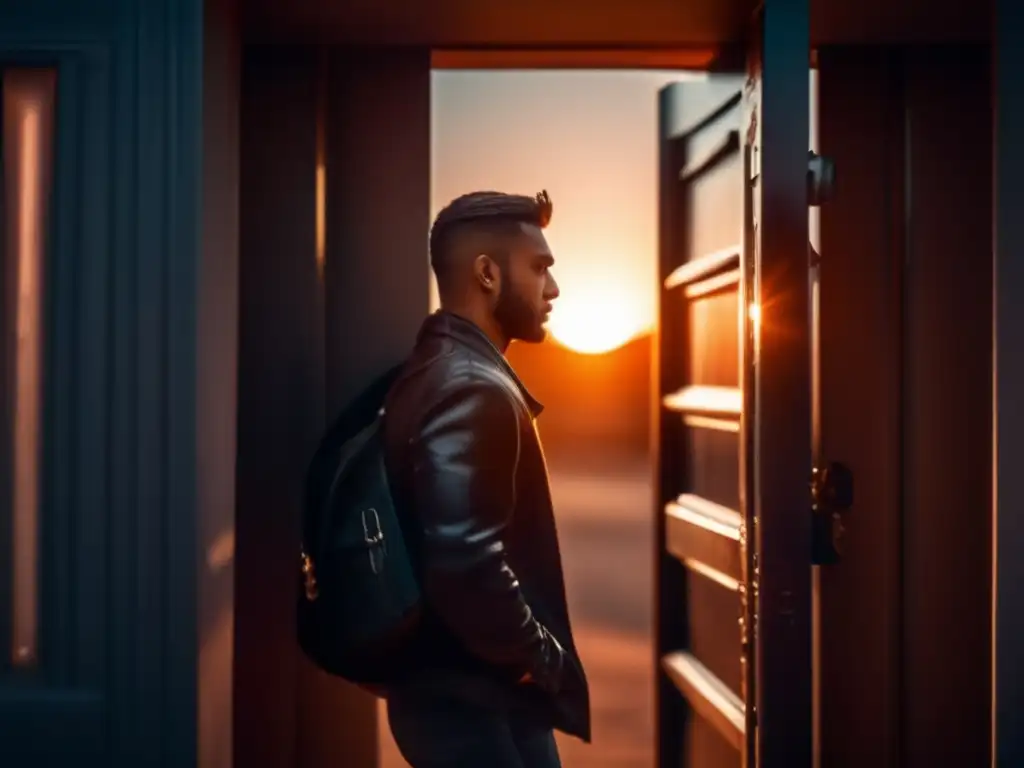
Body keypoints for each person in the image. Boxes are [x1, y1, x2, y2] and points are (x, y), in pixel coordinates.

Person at [382, 190, 590, 767]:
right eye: (540, 267)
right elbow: (463, 561)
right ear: (487, 274)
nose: (553, 288)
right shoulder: (471, 385)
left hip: (466, 690)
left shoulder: (439, 368)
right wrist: (542, 656)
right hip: (470, 703)